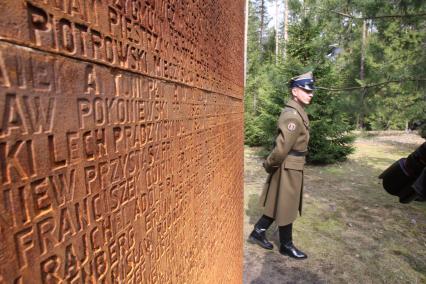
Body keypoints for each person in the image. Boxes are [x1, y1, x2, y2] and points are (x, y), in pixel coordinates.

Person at [248, 71, 314, 259]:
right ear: (295, 91)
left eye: (311, 91)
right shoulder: (292, 116)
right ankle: (286, 245)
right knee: (287, 205)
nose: (311, 94)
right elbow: (281, 148)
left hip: (293, 165)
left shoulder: (297, 112)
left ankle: (259, 231)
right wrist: (269, 164)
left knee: (282, 202)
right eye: (306, 90)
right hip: (288, 166)